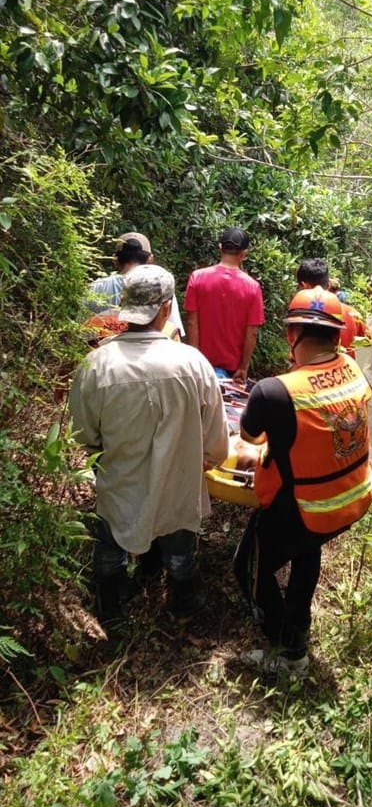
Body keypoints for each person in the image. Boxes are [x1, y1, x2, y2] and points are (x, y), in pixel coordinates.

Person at [69, 265, 229, 628]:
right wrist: (204, 461)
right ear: (165, 308)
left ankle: (111, 613)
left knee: (110, 550)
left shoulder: (96, 365)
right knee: (180, 555)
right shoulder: (193, 363)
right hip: (179, 483)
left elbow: (83, 437)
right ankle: (184, 606)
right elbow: (216, 441)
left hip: (120, 483)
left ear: (125, 307)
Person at [233, 286, 372, 678]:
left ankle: (289, 650)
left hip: (300, 505)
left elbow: (250, 440)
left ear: (290, 336)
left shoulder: (274, 391)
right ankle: (301, 622)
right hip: (349, 501)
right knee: (306, 551)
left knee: (249, 569)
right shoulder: (353, 370)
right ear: (338, 335)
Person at [184, 227, 265, 385]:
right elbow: (252, 333)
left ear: (220, 248)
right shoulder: (252, 287)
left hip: (201, 367)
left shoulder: (197, 278)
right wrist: (243, 367)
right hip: (232, 371)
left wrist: (195, 361)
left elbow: (192, 322)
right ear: (243, 254)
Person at [86, 231, 185, 340]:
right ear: (150, 259)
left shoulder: (96, 287)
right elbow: (173, 332)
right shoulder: (161, 288)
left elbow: (78, 332)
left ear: (116, 260)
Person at [296, 258, 370, 359]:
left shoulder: (300, 315)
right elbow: (368, 341)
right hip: (344, 371)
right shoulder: (353, 314)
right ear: (328, 284)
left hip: (309, 373)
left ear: (304, 286)